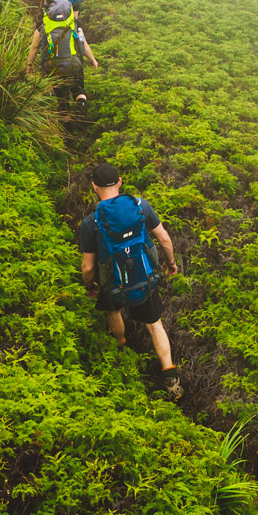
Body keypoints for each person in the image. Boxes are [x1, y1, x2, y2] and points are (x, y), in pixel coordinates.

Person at [76, 162, 183, 399]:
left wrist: (90, 286)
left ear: (94, 186)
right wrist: (171, 263)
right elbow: (164, 239)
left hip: (111, 284)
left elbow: (88, 266)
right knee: (155, 324)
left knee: (113, 312)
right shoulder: (140, 206)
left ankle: (122, 345)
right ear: (120, 182)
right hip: (143, 278)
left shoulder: (90, 223)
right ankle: (170, 376)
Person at [29, 0, 98, 104]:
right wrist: (93, 60)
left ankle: (65, 117)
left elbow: (34, 47)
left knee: (61, 97)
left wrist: (29, 64)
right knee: (79, 90)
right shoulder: (74, 23)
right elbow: (84, 45)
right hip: (73, 63)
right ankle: (81, 109)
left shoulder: (43, 24)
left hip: (52, 66)